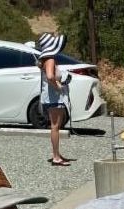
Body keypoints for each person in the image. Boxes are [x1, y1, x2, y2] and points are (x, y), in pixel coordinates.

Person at [36, 31, 72, 167]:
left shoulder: (45, 61)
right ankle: (56, 156)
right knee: (55, 126)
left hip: (50, 97)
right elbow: (51, 76)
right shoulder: (50, 60)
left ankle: (57, 154)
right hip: (54, 98)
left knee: (55, 126)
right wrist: (58, 87)